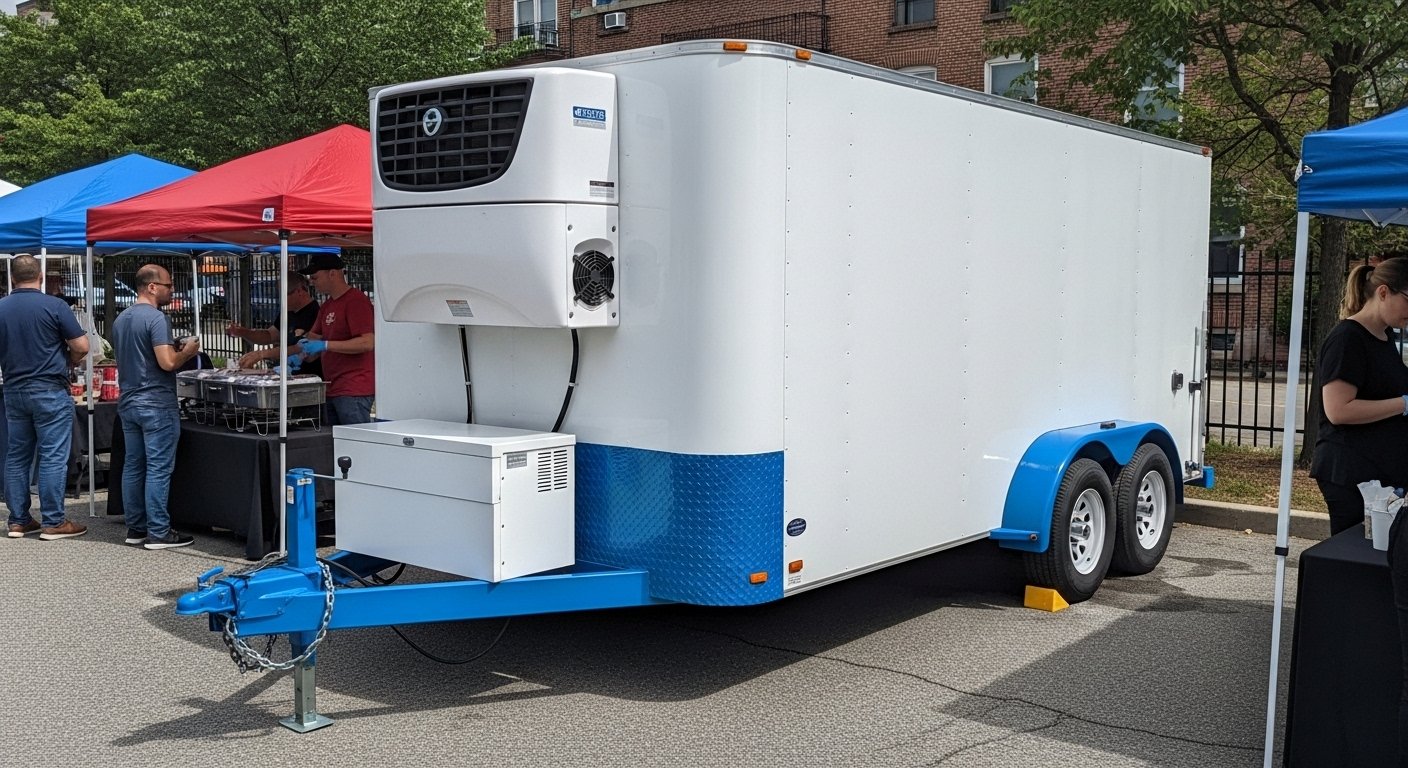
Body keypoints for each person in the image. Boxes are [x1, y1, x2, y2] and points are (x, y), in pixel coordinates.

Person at [1311, 257, 1408, 536]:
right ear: (1383, 292)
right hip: (1351, 472)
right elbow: (1338, 410)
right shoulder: (1347, 339)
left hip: (1380, 469)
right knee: (1356, 557)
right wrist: (1402, 404)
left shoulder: (1385, 336)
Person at [0, 254, 90, 540]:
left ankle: (18, 520)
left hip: (14, 389)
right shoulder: (54, 305)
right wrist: (71, 361)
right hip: (49, 388)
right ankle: (53, 521)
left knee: (17, 455)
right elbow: (81, 345)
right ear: (40, 276)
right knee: (52, 455)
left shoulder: (1, 307)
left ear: (11, 278)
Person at [112, 264, 201, 549]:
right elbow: (167, 363)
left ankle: (136, 528)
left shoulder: (121, 318)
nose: (171, 289)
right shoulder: (156, 318)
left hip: (129, 400)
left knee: (134, 465)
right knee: (158, 468)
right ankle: (159, 532)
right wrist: (186, 352)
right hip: (156, 402)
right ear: (151, 287)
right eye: (168, 285)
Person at [290, 254, 374, 425]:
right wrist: (297, 357)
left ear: (333, 274)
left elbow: (368, 342)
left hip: (354, 388)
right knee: (335, 445)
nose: (312, 282)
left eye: (315, 277)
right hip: (332, 387)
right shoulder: (327, 306)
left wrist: (326, 345)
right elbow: (312, 343)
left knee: (355, 444)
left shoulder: (356, 301)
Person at [225, 271, 322, 377]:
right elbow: (270, 335)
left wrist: (262, 354)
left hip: (308, 378)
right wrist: (242, 332)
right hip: (287, 377)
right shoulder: (288, 312)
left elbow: (304, 348)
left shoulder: (316, 313)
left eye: (284, 294)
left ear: (299, 291)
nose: (281, 299)